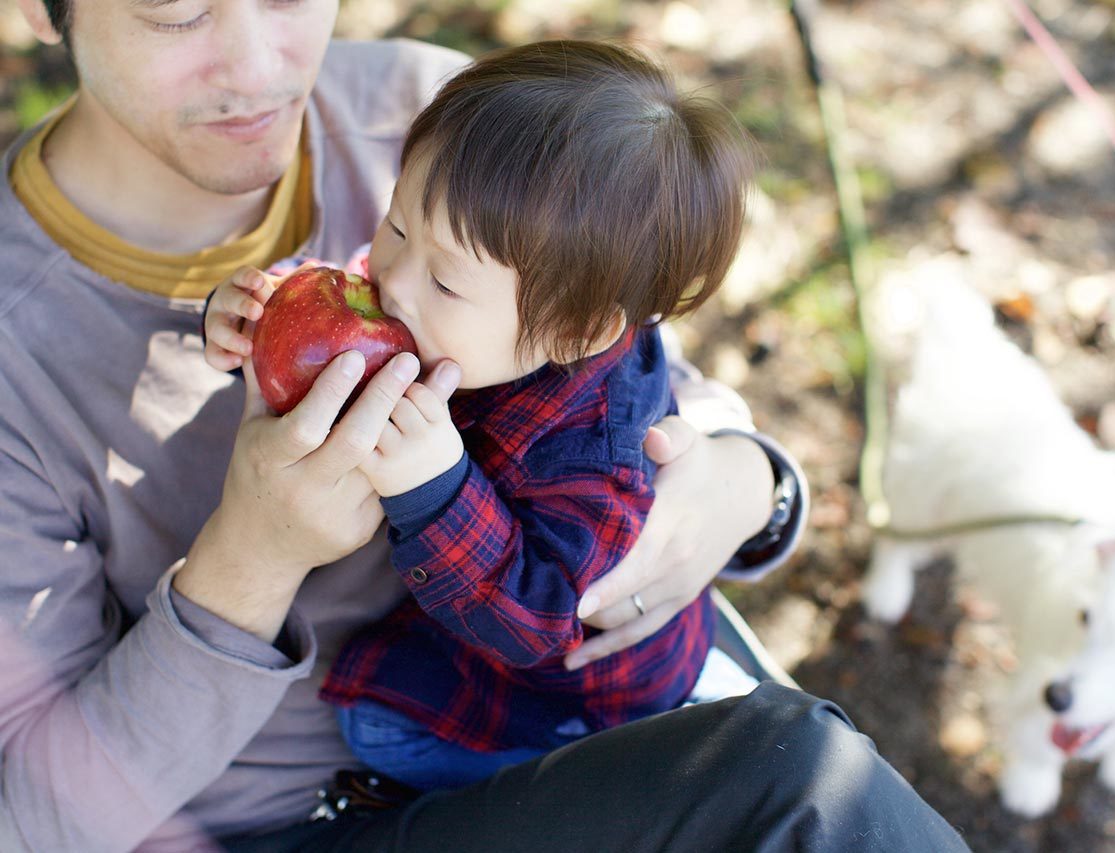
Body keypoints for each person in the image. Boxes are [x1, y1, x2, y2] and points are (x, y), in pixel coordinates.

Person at [0, 1, 968, 850]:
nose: (258, 67)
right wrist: (250, 561)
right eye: (173, 9)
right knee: (797, 784)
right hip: (281, 819)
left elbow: (627, 366)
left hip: (549, 715)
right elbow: (31, 823)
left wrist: (744, 477)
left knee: (813, 781)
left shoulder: (436, 113)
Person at [205, 40, 763, 792]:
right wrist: (265, 310)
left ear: (573, 331)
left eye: (445, 279)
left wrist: (436, 488)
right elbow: (365, 291)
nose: (392, 282)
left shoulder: (597, 459)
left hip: (564, 706)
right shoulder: (493, 308)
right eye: (398, 225)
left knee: (378, 728)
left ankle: (640, 769)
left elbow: (534, 622)